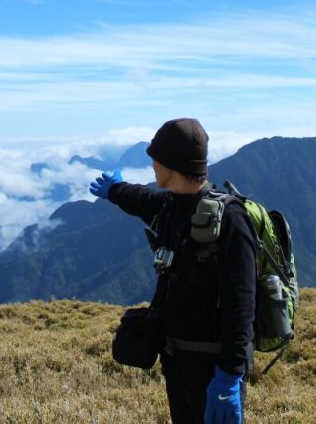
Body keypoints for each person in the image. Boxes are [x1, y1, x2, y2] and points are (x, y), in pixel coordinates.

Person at [90, 118, 257, 424]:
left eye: (156, 158)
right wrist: (115, 189)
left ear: (172, 163)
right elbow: (141, 200)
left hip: (212, 373)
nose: (152, 165)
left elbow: (242, 302)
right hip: (177, 364)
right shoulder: (173, 205)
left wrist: (230, 375)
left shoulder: (230, 220)